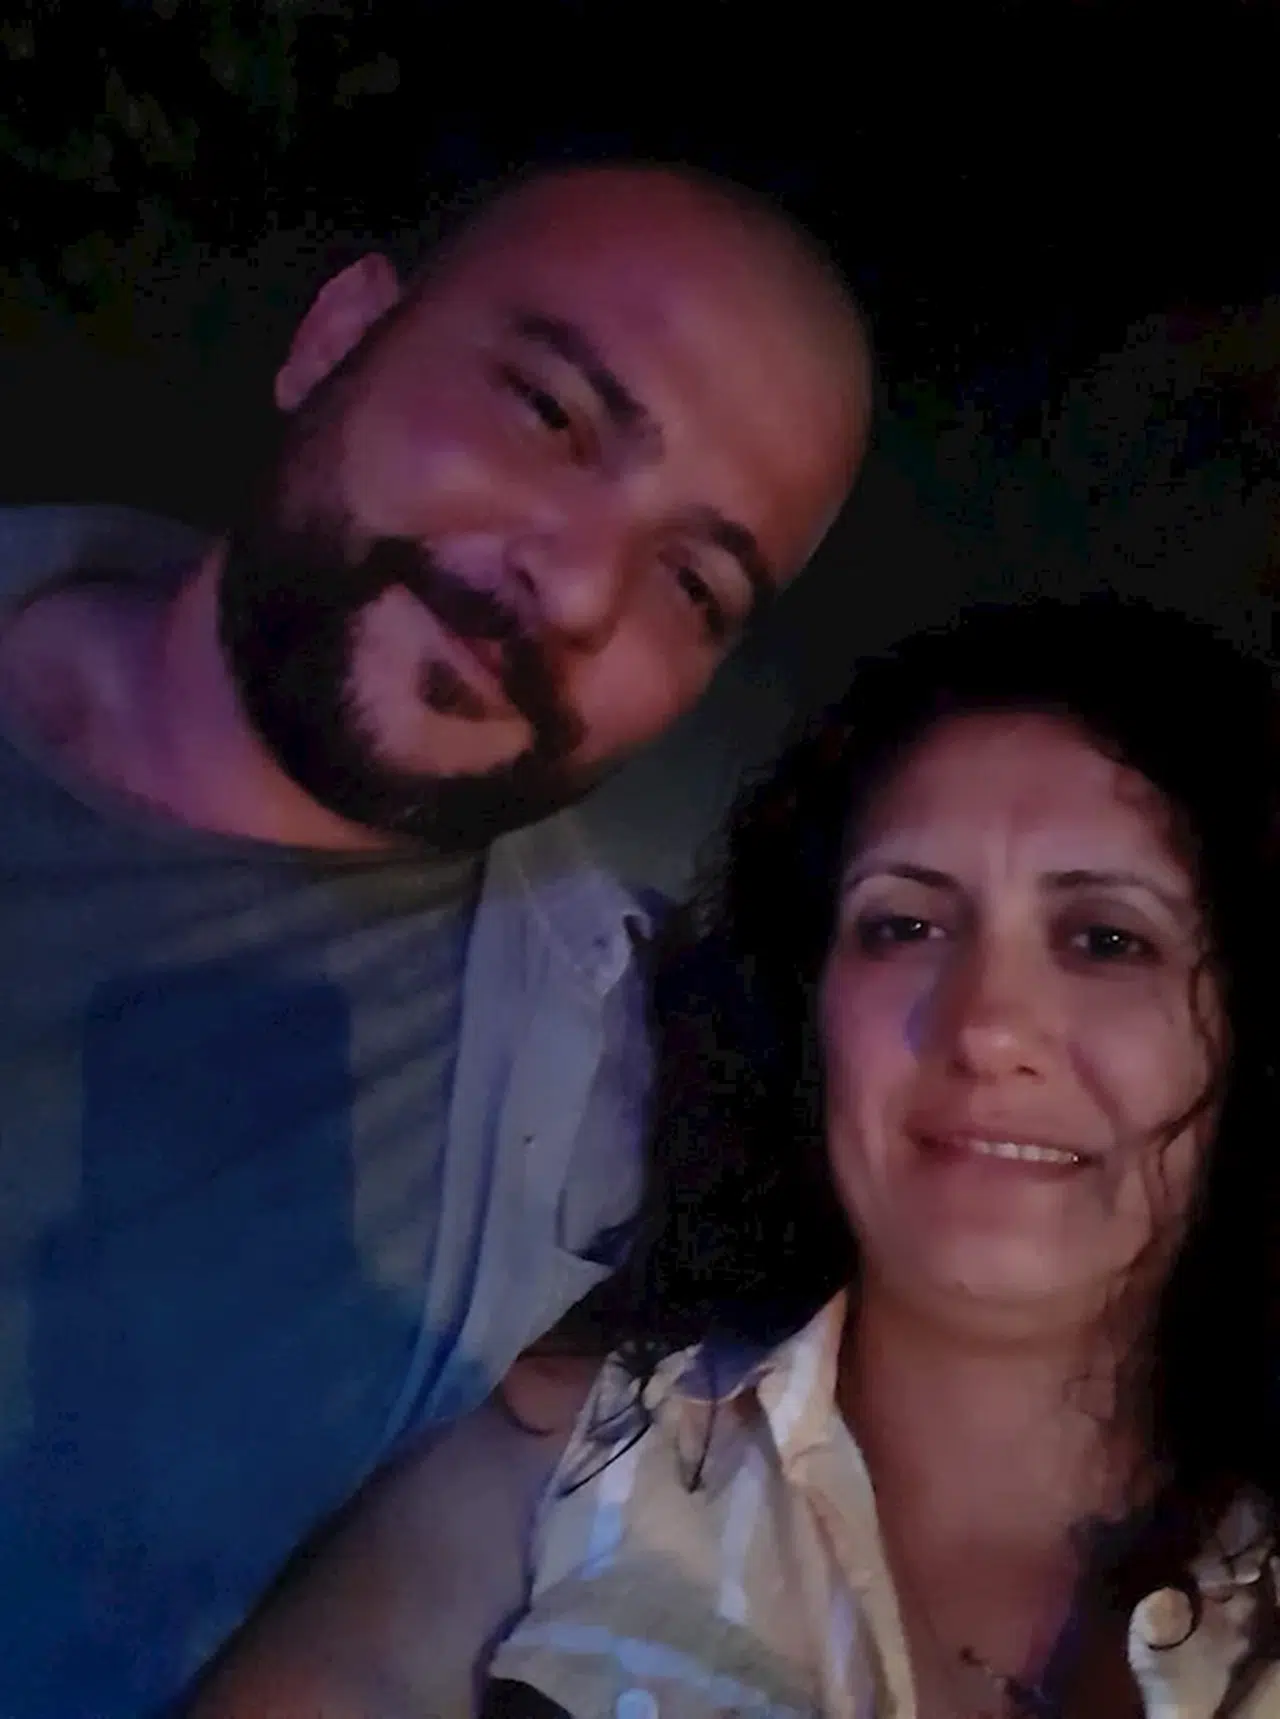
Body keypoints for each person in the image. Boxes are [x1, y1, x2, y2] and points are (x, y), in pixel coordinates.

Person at [0, 160, 870, 1716]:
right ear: (337, 336)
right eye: (550, 413)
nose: (578, 587)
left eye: (692, 579)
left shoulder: (618, 1101)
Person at [199, 594, 1280, 1719]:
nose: (986, 1027)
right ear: (805, 1008)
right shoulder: (555, 1468)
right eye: (903, 926)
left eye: (1106, 940)